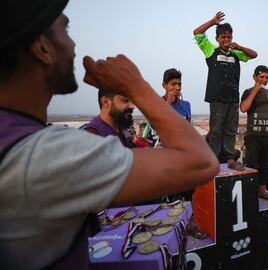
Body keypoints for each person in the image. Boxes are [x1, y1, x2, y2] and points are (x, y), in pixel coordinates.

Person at [0, 1, 219, 269]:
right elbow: (202, 163)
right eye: (66, 30)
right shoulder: (42, 154)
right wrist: (136, 85)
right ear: (43, 48)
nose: (73, 45)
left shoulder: (16, 139)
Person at [193, 11, 257, 171]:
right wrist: (213, 22)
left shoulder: (236, 53)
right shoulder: (211, 51)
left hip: (233, 98)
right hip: (217, 99)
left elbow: (254, 55)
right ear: (217, 39)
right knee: (215, 130)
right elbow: (197, 32)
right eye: (223, 37)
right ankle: (213, 159)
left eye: (229, 37)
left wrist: (240, 46)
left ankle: (230, 158)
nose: (226, 40)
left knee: (230, 130)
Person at [240, 65, 268, 202]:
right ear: (254, 77)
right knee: (252, 165)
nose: (264, 79)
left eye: (267, 77)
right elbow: (243, 108)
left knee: (266, 165)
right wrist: (255, 90)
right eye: (261, 77)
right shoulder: (247, 92)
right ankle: (251, 194)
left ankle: (263, 191)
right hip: (253, 136)